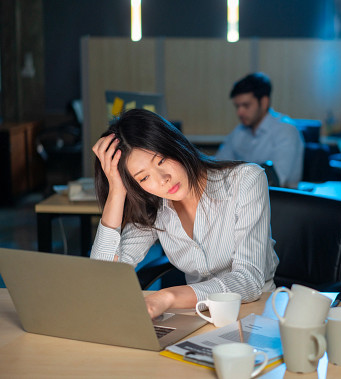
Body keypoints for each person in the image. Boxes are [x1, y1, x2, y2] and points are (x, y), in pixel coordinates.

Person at [90, 109, 279, 319]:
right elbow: (104, 279)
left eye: (161, 161)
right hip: (198, 315)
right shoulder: (154, 205)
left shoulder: (245, 180)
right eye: (143, 178)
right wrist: (117, 189)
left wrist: (168, 297)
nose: (163, 179)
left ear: (174, 145)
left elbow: (249, 281)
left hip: (255, 312)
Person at [215, 72, 304, 188]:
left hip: (280, 201)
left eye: (246, 106)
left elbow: (274, 180)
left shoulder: (286, 130)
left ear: (264, 102)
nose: (239, 112)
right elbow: (217, 166)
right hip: (243, 199)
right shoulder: (239, 131)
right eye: (237, 106)